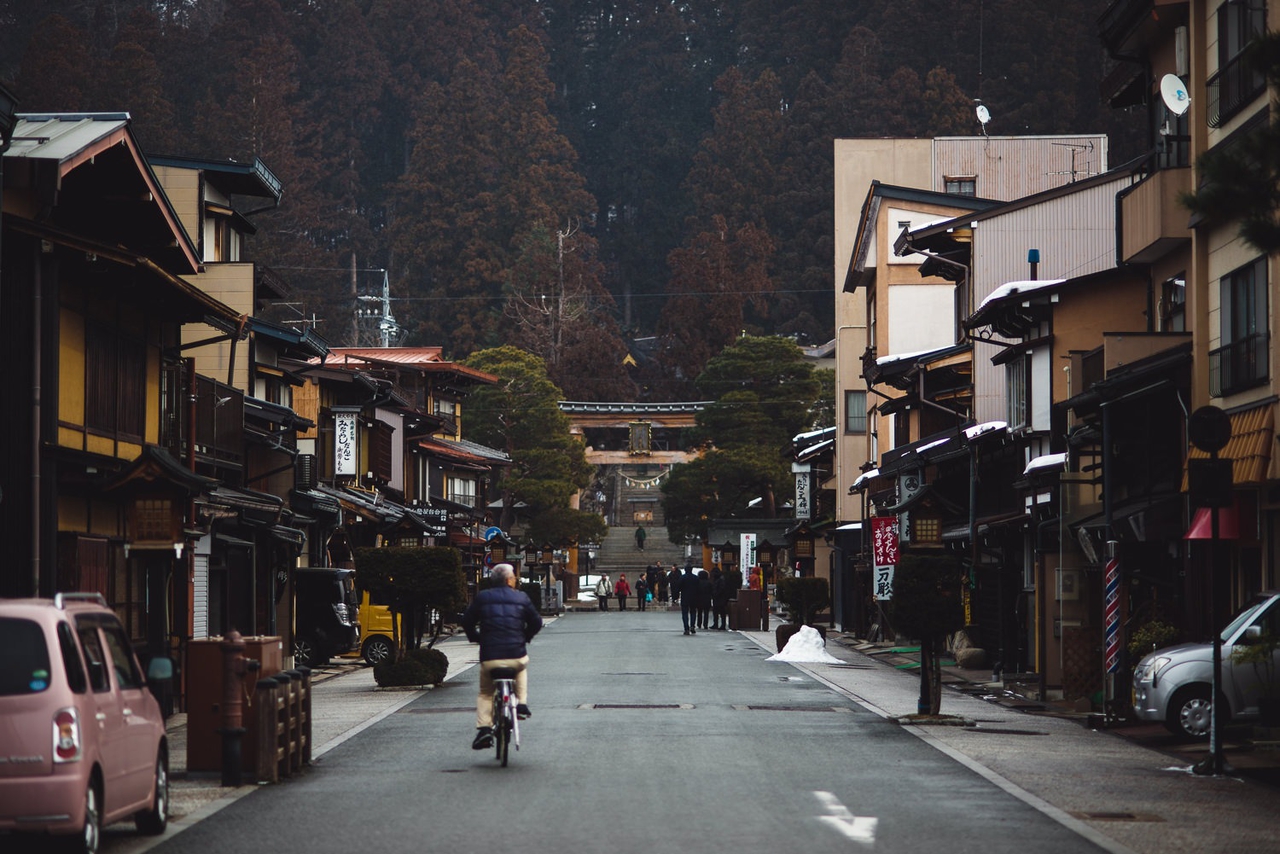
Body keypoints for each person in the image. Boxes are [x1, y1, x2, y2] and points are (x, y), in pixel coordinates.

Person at [459, 563, 543, 750]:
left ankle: (484, 729)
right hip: (516, 653)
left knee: (486, 693)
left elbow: (466, 621)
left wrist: (476, 638)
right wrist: (525, 637)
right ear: (508, 580)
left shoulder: (483, 597)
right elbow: (537, 621)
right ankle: (521, 704)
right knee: (521, 667)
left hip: (490, 656)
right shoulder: (521, 597)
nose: (514, 580)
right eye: (513, 577)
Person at [679, 563, 698, 634]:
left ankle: (686, 628)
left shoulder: (682, 577)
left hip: (685, 597)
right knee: (693, 612)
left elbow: (679, 587)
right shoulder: (696, 578)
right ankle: (692, 626)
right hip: (694, 597)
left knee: (685, 613)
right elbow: (698, 588)